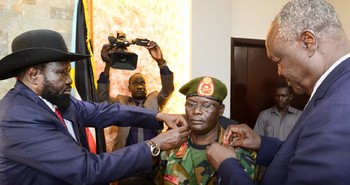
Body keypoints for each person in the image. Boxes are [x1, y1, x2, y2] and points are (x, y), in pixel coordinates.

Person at [0, 29, 190, 185]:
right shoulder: (18, 116)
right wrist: (154, 145)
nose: (69, 80)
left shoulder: (55, 100)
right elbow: (86, 170)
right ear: (33, 75)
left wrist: (158, 117)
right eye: (61, 73)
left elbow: (104, 111)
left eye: (69, 72)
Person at [206, 0, 350, 184]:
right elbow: (306, 153)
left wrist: (227, 166)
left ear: (308, 42)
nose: (280, 72)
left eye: (278, 60)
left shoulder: (339, 110)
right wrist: (261, 143)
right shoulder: (336, 89)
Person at [153, 76, 257, 185]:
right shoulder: (169, 146)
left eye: (207, 106)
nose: (197, 111)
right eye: (191, 104)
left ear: (220, 110)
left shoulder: (239, 153)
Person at [97, 40, 174, 185]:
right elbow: (102, 101)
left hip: (154, 168)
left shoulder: (155, 100)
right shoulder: (121, 102)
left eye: (142, 83)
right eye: (135, 83)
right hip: (128, 167)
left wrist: (161, 62)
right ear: (129, 87)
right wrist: (107, 65)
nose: (139, 86)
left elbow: (168, 89)